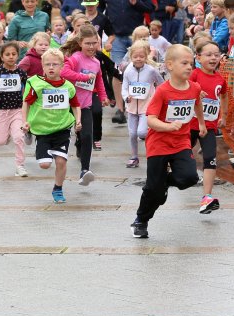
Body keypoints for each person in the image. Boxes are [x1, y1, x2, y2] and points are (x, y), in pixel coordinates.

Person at [130, 44, 205, 239]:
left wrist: (201, 124)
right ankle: (141, 220)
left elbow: (197, 104)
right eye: (184, 63)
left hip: (181, 142)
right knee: (153, 189)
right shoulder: (163, 91)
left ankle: (163, 183)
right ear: (170, 65)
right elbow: (151, 120)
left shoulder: (195, 88)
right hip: (159, 144)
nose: (189, 67)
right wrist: (168, 126)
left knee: (190, 177)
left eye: (191, 63)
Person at [21, 48, 82, 203]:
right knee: (44, 165)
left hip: (62, 128)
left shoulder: (68, 86)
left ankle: (58, 189)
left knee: (61, 161)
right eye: (47, 64)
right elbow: (26, 103)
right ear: (42, 66)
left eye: (55, 64)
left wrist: (78, 121)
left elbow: (75, 105)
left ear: (62, 66)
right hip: (42, 130)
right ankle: (30, 134)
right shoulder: (36, 84)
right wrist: (24, 121)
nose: (51, 67)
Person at [60, 25, 110, 186]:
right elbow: (63, 72)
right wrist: (82, 77)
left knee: (88, 136)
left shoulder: (96, 62)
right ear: (80, 43)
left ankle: (84, 171)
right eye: (88, 43)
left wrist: (103, 96)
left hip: (85, 105)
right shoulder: (75, 58)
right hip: (68, 105)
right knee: (64, 136)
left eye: (94, 43)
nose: (91, 46)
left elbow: (99, 79)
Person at [191, 38, 228, 214]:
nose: (213, 58)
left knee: (210, 158)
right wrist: (194, 91)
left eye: (216, 54)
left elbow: (224, 95)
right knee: (180, 155)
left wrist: (224, 115)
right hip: (190, 125)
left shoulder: (220, 79)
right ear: (198, 57)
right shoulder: (194, 75)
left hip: (210, 126)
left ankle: (207, 197)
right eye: (208, 55)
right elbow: (182, 88)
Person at [98, 0, 154, 66]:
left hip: (136, 37)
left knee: (138, 67)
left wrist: (136, 2)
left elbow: (150, 8)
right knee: (118, 69)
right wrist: (104, 29)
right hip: (116, 37)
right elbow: (99, 10)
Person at [0, 42, 30, 177]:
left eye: (13, 54)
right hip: (1, 110)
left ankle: (20, 166)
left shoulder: (21, 72)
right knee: (0, 142)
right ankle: (7, 134)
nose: (11, 57)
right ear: (2, 56)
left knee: (19, 137)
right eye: (7, 54)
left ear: (18, 55)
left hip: (17, 110)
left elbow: (26, 89)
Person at [121, 40, 163, 168]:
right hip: (132, 107)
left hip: (147, 107)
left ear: (146, 57)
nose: (138, 59)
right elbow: (124, 87)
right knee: (132, 134)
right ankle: (134, 157)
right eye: (135, 56)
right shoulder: (128, 71)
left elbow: (161, 84)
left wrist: (157, 98)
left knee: (141, 133)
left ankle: (154, 149)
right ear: (131, 57)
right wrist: (126, 97)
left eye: (141, 56)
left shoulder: (151, 71)